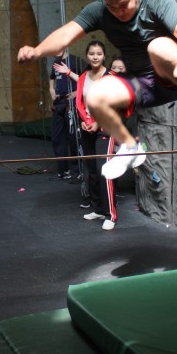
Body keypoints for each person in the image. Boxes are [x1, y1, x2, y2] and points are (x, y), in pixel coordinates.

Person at [18, 0, 177, 180]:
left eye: (124, 4)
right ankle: (130, 147)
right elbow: (66, 34)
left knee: (157, 47)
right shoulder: (100, 10)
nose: (119, 12)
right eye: (112, 7)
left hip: (175, 73)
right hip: (141, 84)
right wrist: (37, 51)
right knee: (94, 96)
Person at [62, 41, 119, 230]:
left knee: (105, 170)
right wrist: (83, 121)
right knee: (92, 171)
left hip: (106, 127)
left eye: (99, 54)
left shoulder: (111, 77)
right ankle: (98, 208)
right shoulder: (84, 77)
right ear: (87, 55)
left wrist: (97, 122)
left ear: (104, 56)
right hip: (87, 127)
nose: (95, 57)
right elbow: (81, 103)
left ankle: (110, 214)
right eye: (92, 53)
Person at [48, 53, 81, 181]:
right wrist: (51, 89)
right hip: (59, 102)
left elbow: (87, 79)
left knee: (73, 138)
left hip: (71, 103)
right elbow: (52, 77)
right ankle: (63, 170)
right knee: (57, 137)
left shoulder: (75, 61)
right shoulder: (56, 62)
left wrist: (78, 92)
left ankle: (77, 171)